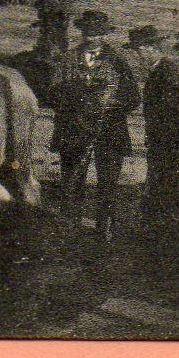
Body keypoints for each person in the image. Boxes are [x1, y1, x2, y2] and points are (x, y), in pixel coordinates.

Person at [50, 12, 139, 242]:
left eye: (98, 33)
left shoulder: (118, 61)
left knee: (107, 183)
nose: (94, 38)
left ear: (106, 34)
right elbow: (53, 92)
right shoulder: (67, 59)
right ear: (82, 34)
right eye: (89, 33)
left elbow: (133, 97)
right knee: (71, 180)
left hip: (109, 130)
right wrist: (76, 99)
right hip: (75, 128)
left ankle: (104, 228)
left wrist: (110, 104)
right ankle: (70, 227)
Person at [141, 31, 179, 238]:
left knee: (166, 183)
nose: (140, 55)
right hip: (161, 139)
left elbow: (176, 108)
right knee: (163, 183)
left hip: (167, 140)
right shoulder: (160, 70)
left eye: (142, 50)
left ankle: (172, 229)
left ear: (152, 50)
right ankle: (167, 227)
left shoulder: (165, 72)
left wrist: (165, 136)